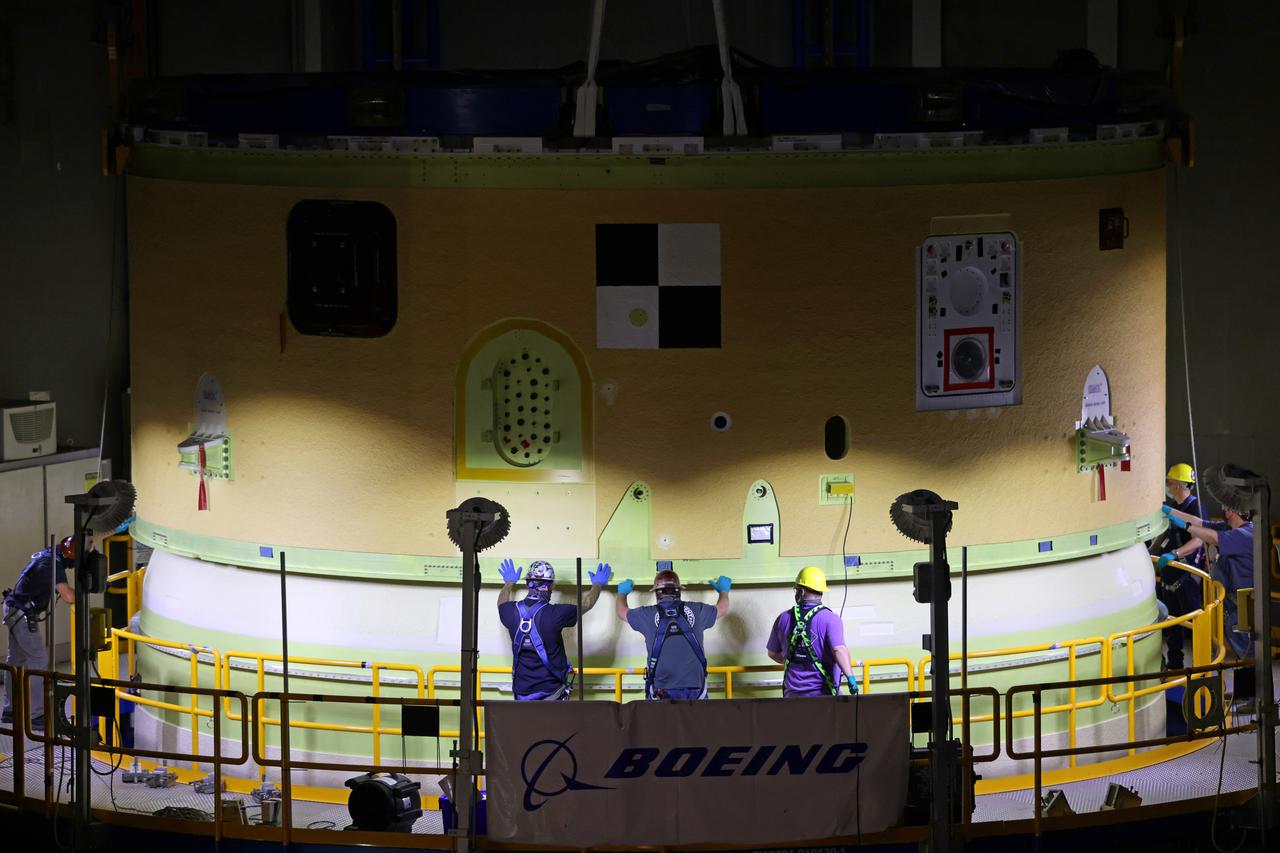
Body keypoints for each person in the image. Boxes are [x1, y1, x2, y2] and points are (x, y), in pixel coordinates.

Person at [496, 558, 611, 700]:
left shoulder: (508, 611)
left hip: (522, 693)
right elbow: (586, 604)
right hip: (552, 692)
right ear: (549, 587)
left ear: (527, 583)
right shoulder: (557, 614)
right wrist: (598, 584)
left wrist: (509, 583)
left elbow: (501, 603)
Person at [1163, 491, 1254, 662]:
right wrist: (1169, 511)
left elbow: (1212, 537)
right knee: (1239, 651)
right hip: (1232, 603)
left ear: (1231, 511)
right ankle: (1245, 686)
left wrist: (1186, 527)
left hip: (1245, 604)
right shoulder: (1231, 529)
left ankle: (1253, 687)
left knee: (1248, 653)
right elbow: (1201, 522)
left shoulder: (1246, 535)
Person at [615, 569, 730, 700]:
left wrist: (622, 594)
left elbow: (621, 612)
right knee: (699, 721)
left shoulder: (646, 614)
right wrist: (723, 591)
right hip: (696, 690)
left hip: (662, 691)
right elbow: (722, 608)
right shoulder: (696, 610)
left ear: (657, 593)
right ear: (679, 591)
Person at [3, 536, 77, 728]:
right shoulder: (53, 564)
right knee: (38, 661)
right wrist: (86, 590)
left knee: (16, 661)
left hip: (13, 607)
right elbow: (69, 596)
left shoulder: (49, 554)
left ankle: (10, 710)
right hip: (22, 613)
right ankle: (36, 716)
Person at [766, 567, 858, 697]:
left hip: (792, 696)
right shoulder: (830, 619)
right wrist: (850, 678)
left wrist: (794, 661)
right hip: (823, 698)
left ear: (801, 591)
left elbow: (773, 653)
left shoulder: (783, 618)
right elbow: (839, 650)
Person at [1151, 463, 1206, 670]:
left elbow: (1198, 540)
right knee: (1173, 623)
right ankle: (1175, 665)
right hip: (1170, 573)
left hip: (1187, 576)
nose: (1168, 486)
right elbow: (1165, 534)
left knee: (1197, 621)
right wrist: (1152, 553)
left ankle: (1204, 668)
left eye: (1170, 483)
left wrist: (1175, 553)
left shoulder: (1194, 508)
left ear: (1180, 485)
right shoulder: (1174, 507)